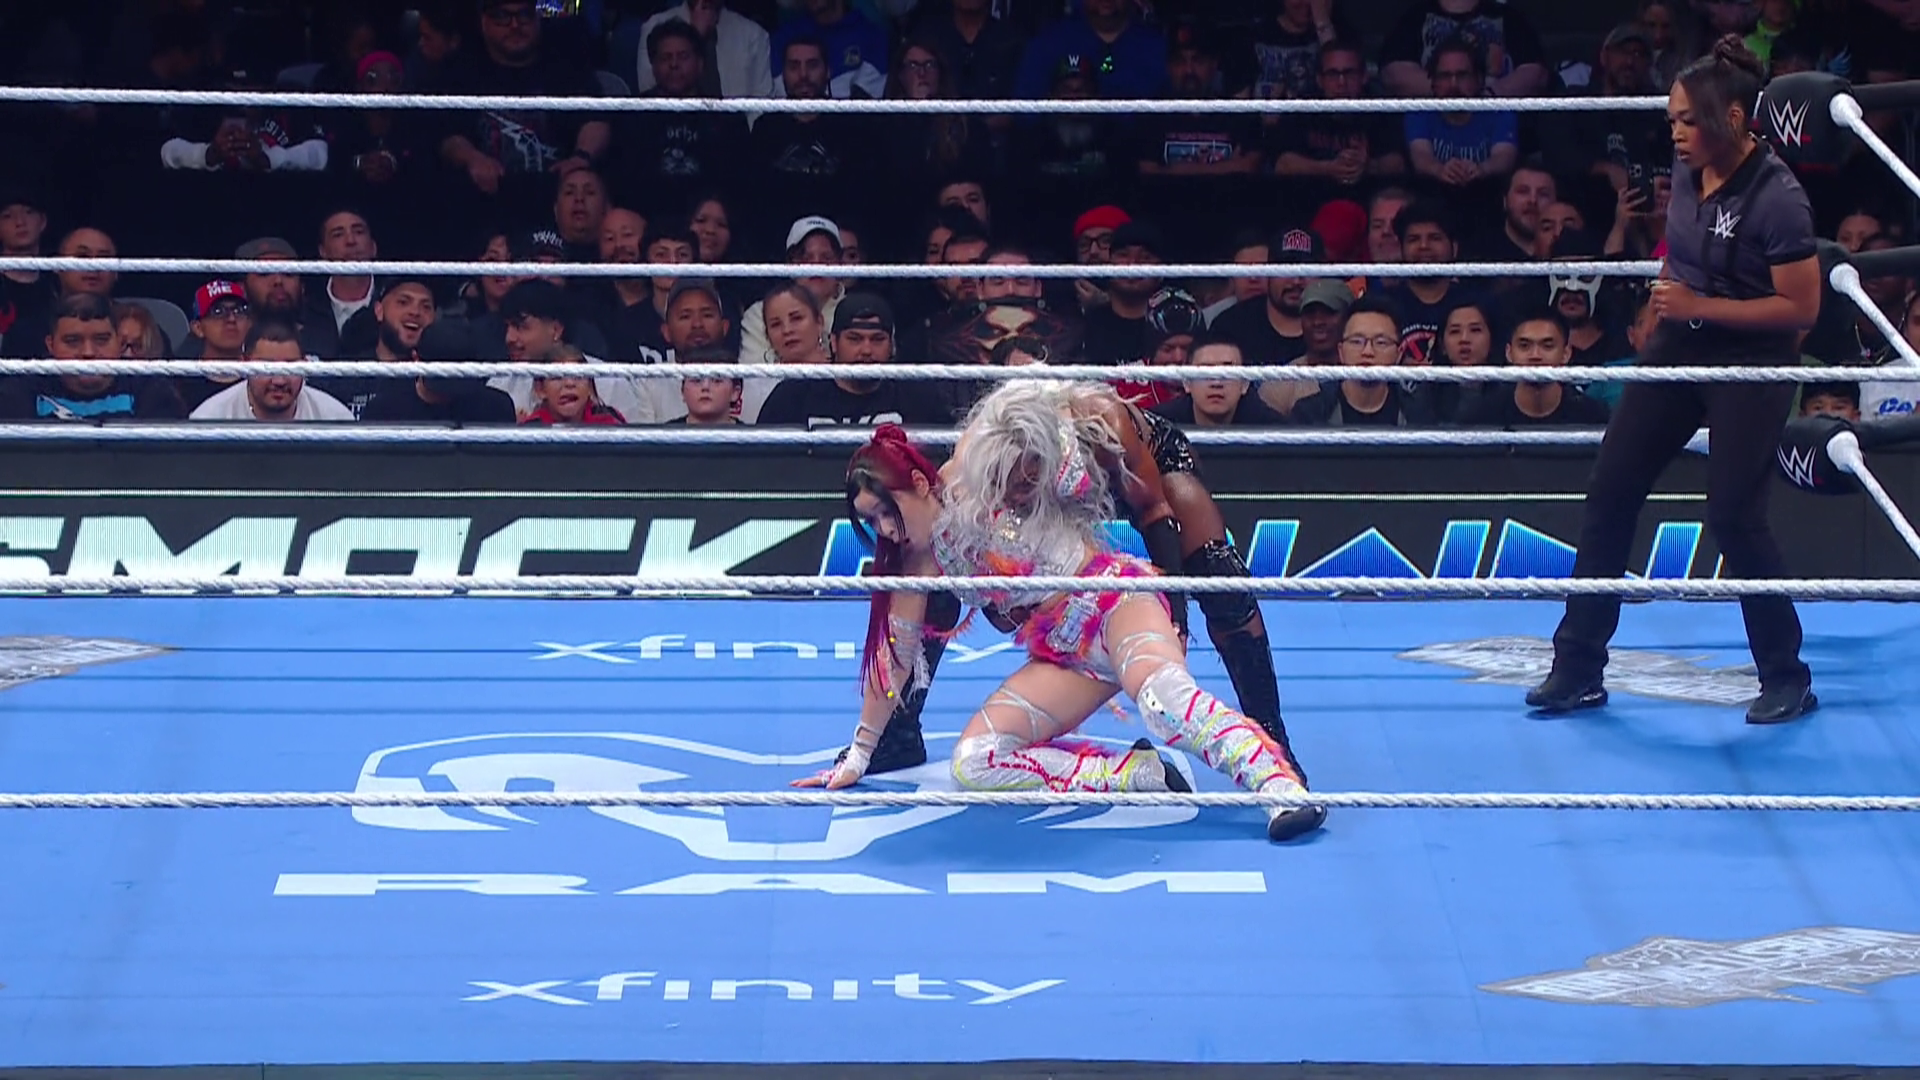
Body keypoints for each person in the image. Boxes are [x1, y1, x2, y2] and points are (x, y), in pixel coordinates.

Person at [796, 391, 1323, 844]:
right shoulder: (918, 562)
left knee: (1165, 702)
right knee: (975, 761)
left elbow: (1024, 417)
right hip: (1063, 654)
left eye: (887, 511)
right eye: (872, 521)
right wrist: (859, 756)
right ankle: (1136, 774)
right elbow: (895, 658)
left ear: (917, 481)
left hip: (1116, 606)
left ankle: (1279, 787)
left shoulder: (980, 470)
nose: (886, 529)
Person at [1526, 36, 1821, 726]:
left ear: (1734, 119)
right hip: (1679, 345)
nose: (1677, 134)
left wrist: (1699, 305)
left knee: (1733, 516)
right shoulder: (1689, 173)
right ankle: (1577, 667)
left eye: (1689, 121)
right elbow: (1682, 252)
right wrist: (1668, 298)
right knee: (1611, 489)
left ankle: (1787, 676)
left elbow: (1802, 309)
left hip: (1752, 358)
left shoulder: (1779, 198)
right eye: (1673, 121)